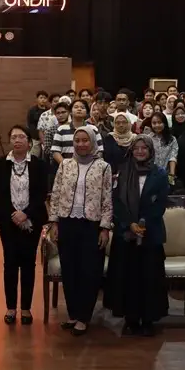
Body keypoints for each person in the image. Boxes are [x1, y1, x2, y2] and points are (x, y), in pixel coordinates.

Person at [49, 126, 113, 336]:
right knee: (70, 270)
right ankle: (73, 313)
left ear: (93, 142)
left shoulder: (103, 167)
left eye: (85, 140)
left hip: (91, 225)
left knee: (89, 271)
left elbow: (107, 199)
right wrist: (54, 222)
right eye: (77, 140)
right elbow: (56, 193)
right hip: (67, 222)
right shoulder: (65, 164)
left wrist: (105, 227)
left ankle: (84, 316)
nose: (81, 144)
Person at [104, 136, 170, 336]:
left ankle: (148, 319)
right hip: (126, 234)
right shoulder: (123, 172)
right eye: (136, 148)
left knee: (149, 278)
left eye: (144, 148)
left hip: (150, 233)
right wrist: (129, 224)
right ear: (131, 151)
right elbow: (116, 202)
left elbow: (160, 203)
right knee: (128, 278)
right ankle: (130, 319)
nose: (140, 151)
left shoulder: (159, 173)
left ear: (150, 151)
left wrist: (143, 224)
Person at [0, 125, 48, 326]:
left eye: (21, 137)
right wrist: (14, 214)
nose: (17, 140)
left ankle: (25, 308)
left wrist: (26, 214)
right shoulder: (1, 163)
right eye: (14, 137)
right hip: (8, 221)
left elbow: (42, 193)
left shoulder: (39, 165)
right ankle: (10, 308)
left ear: (29, 142)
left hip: (32, 221)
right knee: (10, 263)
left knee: (28, 263)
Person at [52, 100, 101, 165]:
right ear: (70, 112)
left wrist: (90, 166)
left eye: (82, 107)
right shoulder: (61, 129)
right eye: (76, 107)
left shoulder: (93, 129)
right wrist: (66, 166)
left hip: (89, 166)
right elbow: (55, 151)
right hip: (66, 166)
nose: (79, 109)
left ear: (87, 112)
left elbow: (99, 150)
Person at [146, 113, 178, 182]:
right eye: (154, 123)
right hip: (150, 175)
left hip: (167, 175)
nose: (157, 125)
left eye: (159, 122)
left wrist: (171, 175)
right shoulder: (148, 139)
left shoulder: (172, 139)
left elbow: (173, 157)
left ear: (164, 123)